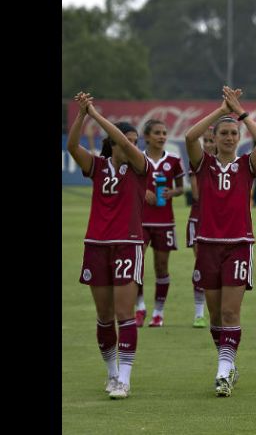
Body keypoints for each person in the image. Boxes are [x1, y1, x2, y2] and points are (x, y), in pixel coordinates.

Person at [185, 86, 256, 397]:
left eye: (234, 133)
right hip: (207, 244)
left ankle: (223, 370)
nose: (230, 137)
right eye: (224, 133)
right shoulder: (204, 164)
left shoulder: (246, 164)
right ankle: (227, 362)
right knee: (216, 315)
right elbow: (189, 137)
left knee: (231, 312)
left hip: (238, 245)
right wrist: (222, 109)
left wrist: (242, 113)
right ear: (215, 137)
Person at [67, 92, 149, 400]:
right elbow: (73, 146)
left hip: (127, 244)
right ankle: (112, 373)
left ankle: (125, 379)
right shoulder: (99, 167)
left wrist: (97, 115)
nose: (131, 145)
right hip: (97, 245)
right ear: (111, 144)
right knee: (103, 315)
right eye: (125, 140)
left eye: (133, 140)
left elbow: (127, 146)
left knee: (124, 312)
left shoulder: (141, 167)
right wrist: (82, 115)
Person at [134, 119, 185, 328]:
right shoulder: (136, 159)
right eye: (157, 133)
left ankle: (158, 313)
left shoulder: (173, 161)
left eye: (164, 133)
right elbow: (127, 185)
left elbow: (182, 188)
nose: (162, 136)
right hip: (139, 222)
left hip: (165, 222)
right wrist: (142, 192)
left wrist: (172, 192)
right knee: (137, 266)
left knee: (161, 267)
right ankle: (139, 308)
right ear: (146, 136)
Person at [186, 127, 216, 328]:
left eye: (210, 141)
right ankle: (199, 313)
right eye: (205, 141)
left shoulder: (232, 163)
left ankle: (219, 308)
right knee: (202, 265)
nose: (207, 145)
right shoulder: (198, 163)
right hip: (199, 220)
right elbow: (197, 194)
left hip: (221, 222)